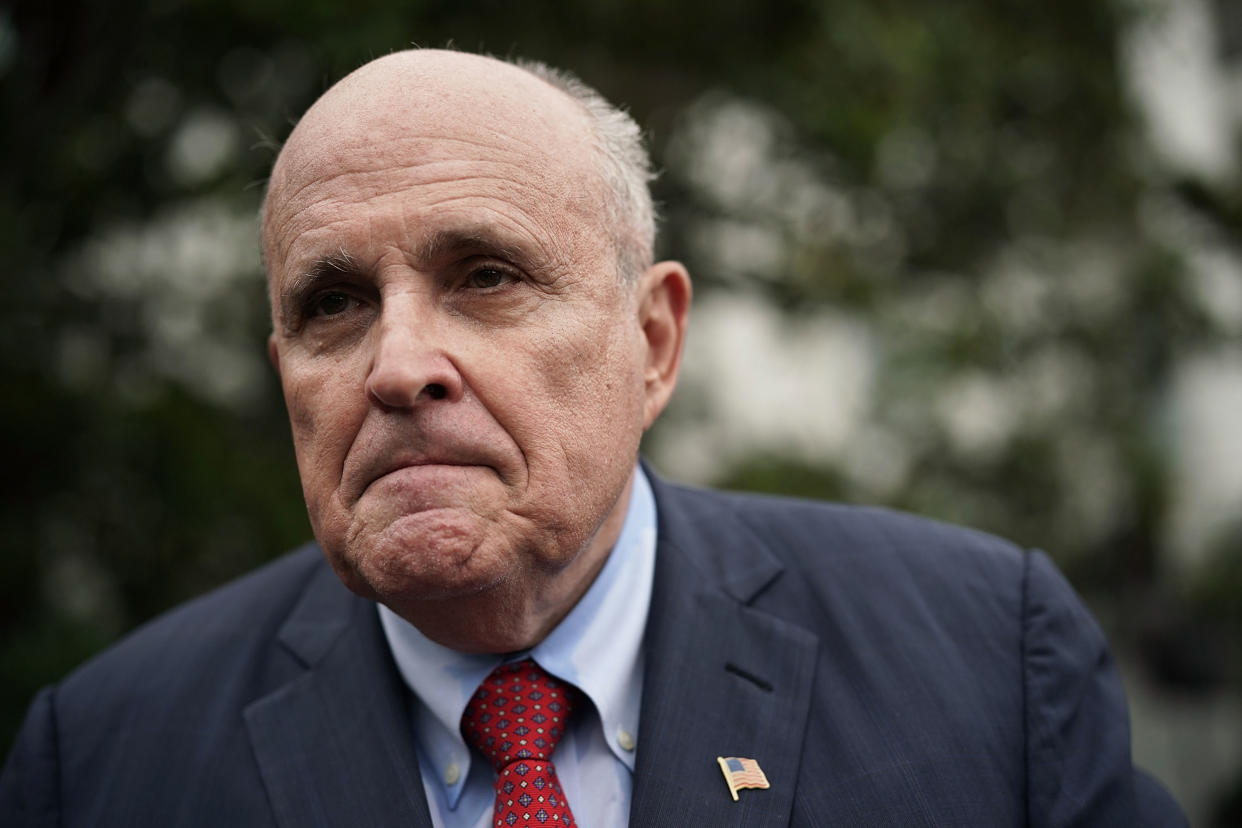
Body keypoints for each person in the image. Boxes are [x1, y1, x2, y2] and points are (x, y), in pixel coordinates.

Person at [1, 49, 1184, 827]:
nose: (399, 363)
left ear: (654, 340)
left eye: (487, 276)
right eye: (332, 305)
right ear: (285, 377)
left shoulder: (982, 664)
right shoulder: (102, 764)